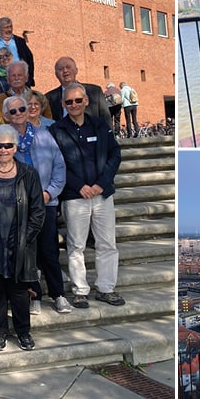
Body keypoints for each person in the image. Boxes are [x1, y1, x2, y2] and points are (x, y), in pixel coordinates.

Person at [50, 83, 124, 309]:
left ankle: (106, 288)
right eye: (69, 102)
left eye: (77, 100)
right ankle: (80, 290)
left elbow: (115, 154)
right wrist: (79, 185)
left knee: (107, 243)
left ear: (86, 101)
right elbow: (57, 164)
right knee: (76, 245)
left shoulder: (101, 125)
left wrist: (102, 184)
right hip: (75, 196)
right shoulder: (57, 131)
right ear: (63, 104)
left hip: (102, 194)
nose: (73, 105)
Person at [0, 124, 45, 352]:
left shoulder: (28, 174)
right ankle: (0, 332)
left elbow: (38, 211)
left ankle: (23, 332)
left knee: (19, 291)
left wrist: (25, 238)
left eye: (8, 145)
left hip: (18, 243)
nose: (3, 150)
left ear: (15, 147)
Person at [2, 96, 70, 315]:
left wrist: (50, 192)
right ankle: (35, 295)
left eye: (22, 108)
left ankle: (58, 294)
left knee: (49, 250)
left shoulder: (44, 135)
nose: (19, 113)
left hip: (45, 203)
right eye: (13, 111)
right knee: (25, 252)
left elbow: (59, 165)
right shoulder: (4, 140)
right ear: (5, 115)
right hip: (18, 205)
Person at [45, 57, 111, 128]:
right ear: (56, 74)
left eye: (68, 67)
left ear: (76, 70)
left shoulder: (95, 91)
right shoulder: (49, 98)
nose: (65, 71)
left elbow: (106, 118)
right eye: (61, 69)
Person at [0, 16, 35, 86]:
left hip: (20, 81)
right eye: (6, 27)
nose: (9, 29)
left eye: (10, 27)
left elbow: (29, 59)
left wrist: (29, 80)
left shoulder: (20, 42)